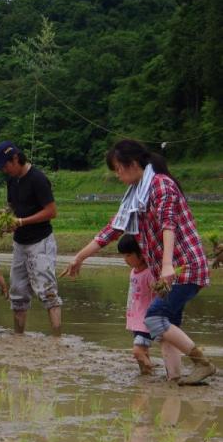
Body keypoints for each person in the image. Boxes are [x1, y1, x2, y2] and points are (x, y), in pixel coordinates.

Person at [63, 140, 213, 385]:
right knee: (168, 328)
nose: (117, 175)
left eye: (118, 169)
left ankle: (202, 363)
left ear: (132, 164)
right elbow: (112, 230)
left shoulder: (161, 186)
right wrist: (79, 257)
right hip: (168, 270)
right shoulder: (135, 195)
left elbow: (168, 225)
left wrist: (166, 266)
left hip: (184, 266)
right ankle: (174, 379)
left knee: (154, 318)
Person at [0, 141, 62, 335]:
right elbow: (12, 206)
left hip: (40, 242)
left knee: (47, 291)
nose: (5, 170)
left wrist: (21, 221)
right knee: (18, 292)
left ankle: (57, 337)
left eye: (5, 166)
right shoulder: (12, 181)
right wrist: (5, 214)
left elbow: (51, 211)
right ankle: (18, 336)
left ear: (15, 159)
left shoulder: (38, 179)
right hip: (20, 243)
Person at [118, 234, 157, 375]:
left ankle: (152, 371)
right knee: (143, 351)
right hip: (136, 318)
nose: (125, 259)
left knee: (137, 351)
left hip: (146, 320)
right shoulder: (133, 272)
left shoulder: (149, 273)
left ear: (141, 255)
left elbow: (157, 290)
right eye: (124, 256)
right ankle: (146, 377)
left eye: (128, 255)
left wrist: (157, 286)